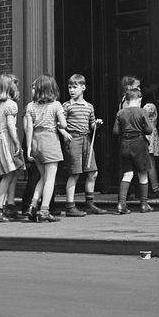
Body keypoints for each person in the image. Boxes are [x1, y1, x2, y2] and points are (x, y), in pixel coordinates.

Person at [23, 74, 71, 223]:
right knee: (50, 178)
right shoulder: (56, 105)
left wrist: (29, 146)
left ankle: (32, 205)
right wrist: (60, 123)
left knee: (42, 177)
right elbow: (63, 124)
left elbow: (28, 127)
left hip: (36, 141)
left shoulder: (30, 106)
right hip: (50, 139)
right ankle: (44, 210)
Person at [61, 73, 106, 216]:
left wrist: (96, 124)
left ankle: (90, 203)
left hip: (87, 140)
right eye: (69, 87)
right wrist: (64, 133)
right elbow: (60, 124)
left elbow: (91, 124)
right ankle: (70, 206)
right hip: (73, 140)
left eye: (75, 87)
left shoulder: (89, 107)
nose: (71, 90)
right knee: (74, 173)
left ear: (83, 87)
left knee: (93, 172)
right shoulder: (66, 106)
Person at [0, 73, 24, 222]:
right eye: (14, 84)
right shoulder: (11, 104)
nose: (16, 86)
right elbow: (10, 125)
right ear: (9, 86)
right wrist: (17, 143)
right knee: (8, 175)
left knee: (8, 174)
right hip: (6, 141)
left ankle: (2, 206)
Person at [112, 82, 153, 214]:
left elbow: (116, 132)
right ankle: (144, 204)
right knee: (143, 173)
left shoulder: (120, 112)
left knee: (127, 174)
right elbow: (149, 129)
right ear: (139, 99)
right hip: (139, 144)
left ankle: (121, 204)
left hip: (125, 144)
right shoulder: (141, 111)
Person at [142, 102, 159, 197]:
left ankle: (151, 188)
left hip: (146, 137)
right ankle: (154, 188)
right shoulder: (152, 123)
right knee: (150, 164)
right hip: (150, 137)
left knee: (147, 164)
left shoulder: (145, 119)